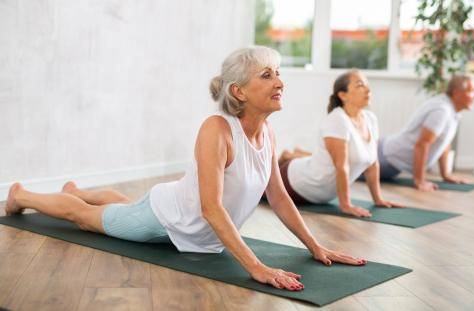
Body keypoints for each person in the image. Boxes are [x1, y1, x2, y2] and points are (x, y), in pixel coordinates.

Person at [5, 46, 366, 292]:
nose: (280, 82)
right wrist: (256, 267)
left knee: (124, 206)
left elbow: (278, 195)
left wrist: (316, 246)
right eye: (267, 75)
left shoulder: (266, 131)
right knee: (86, 218)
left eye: (278, 74)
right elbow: (211, 208)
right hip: (164, 218)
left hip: (189, 226)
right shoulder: (217, 129)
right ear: (239, 91)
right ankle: (22, 195)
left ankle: (75, 189)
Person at [279, 70, 403, 218]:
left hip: (323, 195)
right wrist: (346, 205)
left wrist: (378, 199)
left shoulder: (370, 119)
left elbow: (372, 165)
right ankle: (282, 160)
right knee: (251, 190)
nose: (368, 89)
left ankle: (290, 155)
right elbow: (342, 166)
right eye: (360, 85)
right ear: (342, 95)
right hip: (298, 183)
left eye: (367, 85)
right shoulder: (338, 120)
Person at [380, 75, 474, 191]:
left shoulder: (452, 110)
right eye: (471, 91)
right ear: (456, 93)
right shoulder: (442, 111)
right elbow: (422, 144)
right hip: (384, 157)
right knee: (353, 174)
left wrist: (446, 175)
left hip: (389, 155)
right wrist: (419, 180)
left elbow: (444, 142)